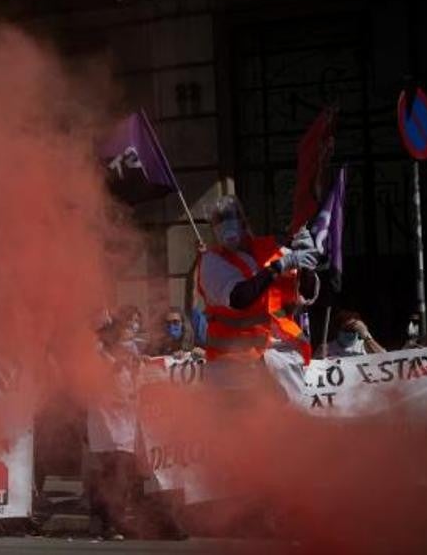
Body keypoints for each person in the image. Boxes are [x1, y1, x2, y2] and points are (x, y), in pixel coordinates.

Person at [86, 310, 186, 542]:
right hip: (106, 416)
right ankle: (107, 521)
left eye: (137, 323)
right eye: (129, 324)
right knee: (113, 471)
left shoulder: (137, 348)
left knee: (125, 473)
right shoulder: (100, 349)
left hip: (129, 417)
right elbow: (89, 375)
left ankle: (117, 520)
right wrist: (115, 364)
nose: (133, 328)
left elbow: (156, 362)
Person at [196, 195, 319, 378]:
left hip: (281, 356)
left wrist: (307, 265)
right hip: (233, 363)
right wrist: (278, 267)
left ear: (244, 222)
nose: (226, 225)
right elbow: (239, 298)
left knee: (287, 407)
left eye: (230, 217)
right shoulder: (212, 261)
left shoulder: (272, 250)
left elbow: (304, 292)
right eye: (219, 221)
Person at [321, 309, 386, 358]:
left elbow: (386, 358)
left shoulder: (365, 345)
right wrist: (318, 357)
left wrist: (367, 336)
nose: (351, 332)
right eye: (347, 329)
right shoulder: (327, 348)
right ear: (338, 330)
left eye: (353, 329)